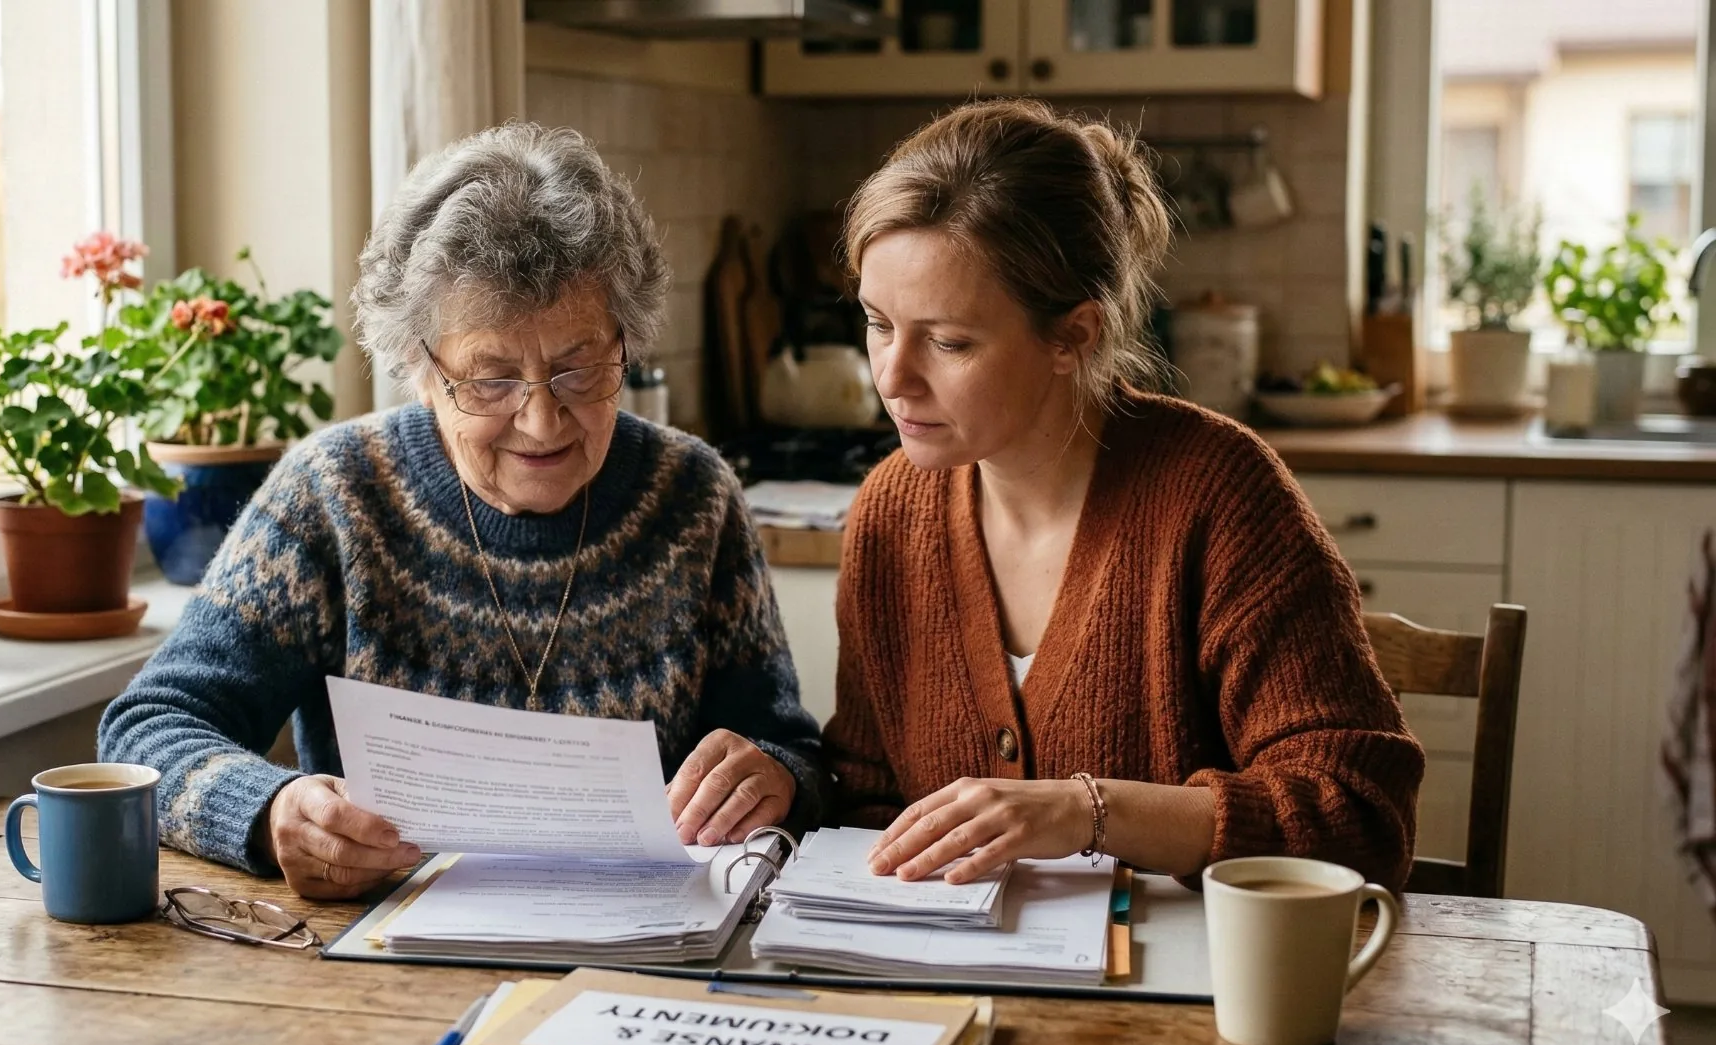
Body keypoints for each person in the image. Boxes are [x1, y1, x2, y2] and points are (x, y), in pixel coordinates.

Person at [100, 122, 821, 900]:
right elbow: (145, 731)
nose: (541, 422)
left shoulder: (694, 497)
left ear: (626, 343)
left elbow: (795, 754)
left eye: (580, 370)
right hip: (380, 944)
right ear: (419, 367)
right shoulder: (333, 494)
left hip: (645, 945)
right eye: (490, 379)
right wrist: (270, 808)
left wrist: (778, 776)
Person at [827, 99, 1424, 891]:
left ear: (1074, 335)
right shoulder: (890, 511)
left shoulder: (1218, 496)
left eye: (948, 341)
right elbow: (863, 798)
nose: (892, 377)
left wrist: (1091, 812)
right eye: (877, 323)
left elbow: (1361, 819)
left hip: (1184, 972)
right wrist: (777, 772)